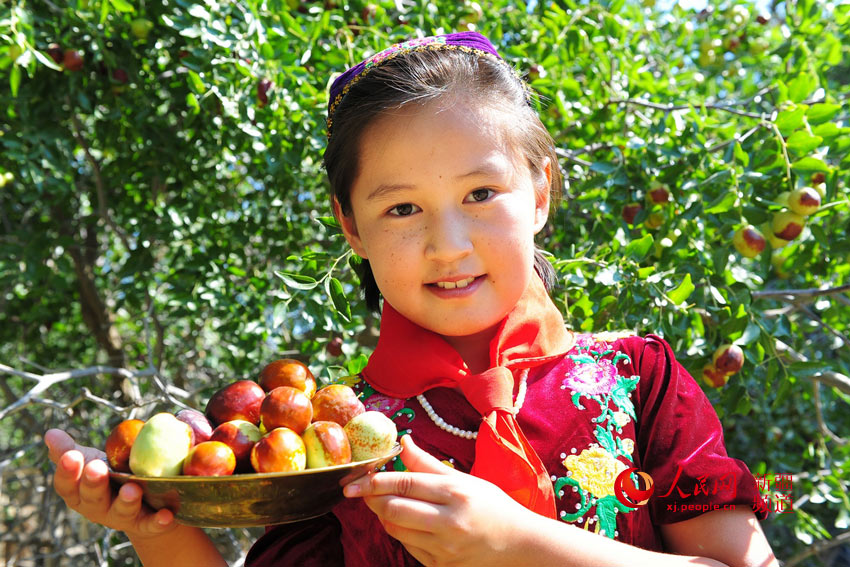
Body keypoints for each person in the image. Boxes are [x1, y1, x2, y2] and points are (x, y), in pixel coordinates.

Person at [44, 31, 780, 567]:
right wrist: (154, 525)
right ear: (350, 224)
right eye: (402, 208)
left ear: (540, 192)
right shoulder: (330, 442)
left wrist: (520, 545)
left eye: (481, 193)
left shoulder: (638, 379)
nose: (448, 244)